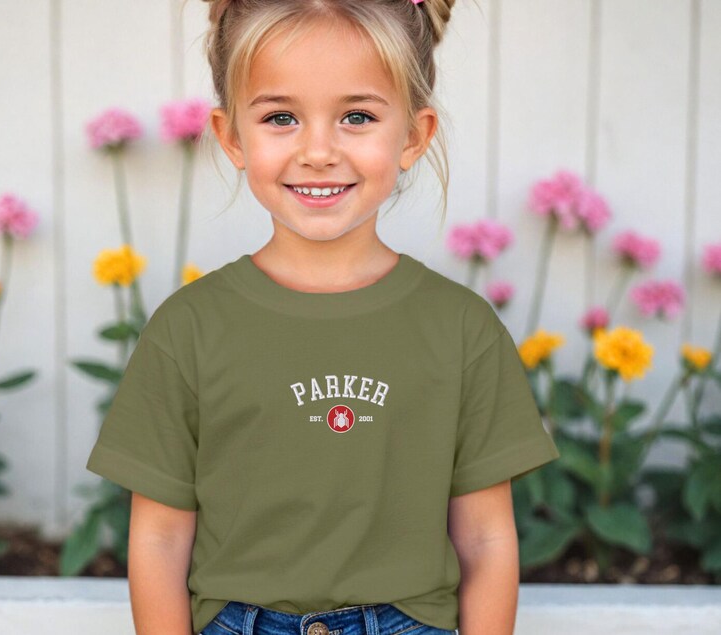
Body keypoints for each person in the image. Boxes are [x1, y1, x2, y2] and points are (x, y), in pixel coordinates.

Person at [85, 1, 561, 634]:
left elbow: (486, 538)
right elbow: (160, 540)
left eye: (356, 117)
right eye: (281, 117)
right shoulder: (188, 329)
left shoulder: (463, 329)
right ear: (231, 138)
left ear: (414, 137)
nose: (318, 151)